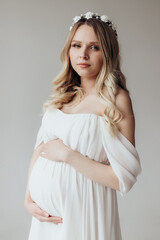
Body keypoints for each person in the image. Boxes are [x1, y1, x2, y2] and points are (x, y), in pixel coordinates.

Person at [24, 11, 142, 240]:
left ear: (107, 52)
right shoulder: (61, 97)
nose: (83, 55)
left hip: (85, 212)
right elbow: (41, 148)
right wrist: (29, 199)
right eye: (76, 45)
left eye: (94, 47)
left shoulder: (116, 99)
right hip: (44, 219)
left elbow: (122, 178)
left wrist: (69, 155)